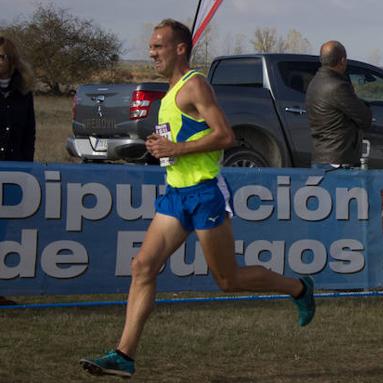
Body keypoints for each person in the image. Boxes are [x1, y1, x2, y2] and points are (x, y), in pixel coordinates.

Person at [80, 19, 315, 378]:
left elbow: (226, 136)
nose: (151, 52)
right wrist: (160, 148)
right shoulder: (171, 91)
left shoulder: (195, 86)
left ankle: (298, 287)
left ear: (179, 49)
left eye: (158, 46)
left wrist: (177, 147)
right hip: (176, 193)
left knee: (228, 280)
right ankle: (124, 355)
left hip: (205, 193)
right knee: (143, 266)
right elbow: (178, 141)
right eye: (151, 46)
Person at [0, 36, 36, 306]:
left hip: (14, 171)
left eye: (1, 57)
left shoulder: (23, 92)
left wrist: (26, 168)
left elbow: (29, 133)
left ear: (12, 61)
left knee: (3, 232)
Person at [305, 40, 372, 169]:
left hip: (320, 155)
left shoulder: (314, 83)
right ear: (342, 61)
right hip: (338, 160)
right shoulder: (338, 87)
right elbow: (365, 118)